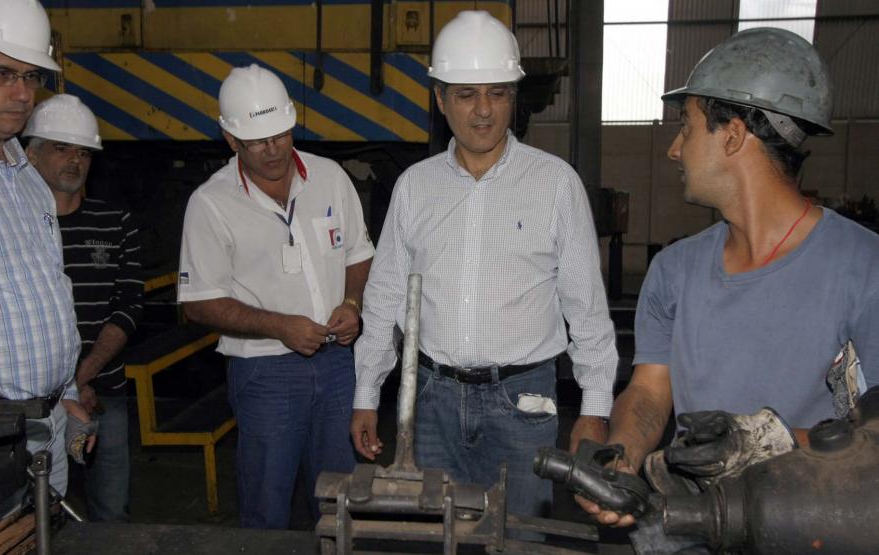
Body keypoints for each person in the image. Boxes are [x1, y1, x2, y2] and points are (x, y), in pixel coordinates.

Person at [579, 27, 879, 529]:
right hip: (689, 526)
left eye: (687, 126)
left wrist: (770, 442)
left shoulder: (864, 268)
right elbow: (651, 394)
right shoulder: (675, 270)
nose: (675, 149)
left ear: (733, 134)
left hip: (809, 527)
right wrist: (621, 455)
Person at [351, 10, 618, 520]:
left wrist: (596, 408)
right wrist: (366, 392)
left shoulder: (555, 185)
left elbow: (586, 308)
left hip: (524, 403)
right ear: (440, 100)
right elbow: (384, 299)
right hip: (431, 402)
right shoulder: (415, 188)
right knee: (439, 532)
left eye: (497, 93)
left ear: (513, 98)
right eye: (466, 95)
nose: (482, 111)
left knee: (519, 536)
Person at [178, 64, 375, 529]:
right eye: (257, 141)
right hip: (265, 373)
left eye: (281, 135)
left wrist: (352, 303)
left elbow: (359, 252)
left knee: (337, 500)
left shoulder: (329, 178)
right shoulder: (211, 204)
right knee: (267, 505)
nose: (273, 150)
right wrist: (278, 326)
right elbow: (198, 302)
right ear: (231, 140)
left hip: (336, 365)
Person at [0, 0, 95, 498]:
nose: (23, 94)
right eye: (2, 73)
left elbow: (46, 292)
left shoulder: (27, 179)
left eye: (31, 76)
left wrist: (62, 394)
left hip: (45, 425)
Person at [23, 94, 143, 521]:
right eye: (61, 148)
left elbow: (129, 307)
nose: (75, 160)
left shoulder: (116, 223)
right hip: (35, 403)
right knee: (34, 517)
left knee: (112, 515)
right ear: (31, 155)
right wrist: (66, 389)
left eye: (83, 152)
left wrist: (80, 378)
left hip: (105, 394)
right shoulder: (14, 230)